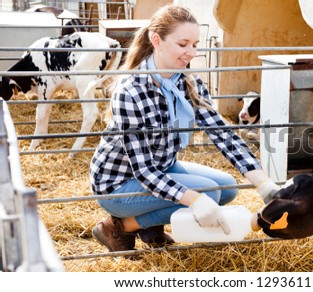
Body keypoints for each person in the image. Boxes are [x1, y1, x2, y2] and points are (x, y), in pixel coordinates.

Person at [89, 4, 280, 252]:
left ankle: (150, 227)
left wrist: (264, 184)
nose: (191, 52)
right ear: (156, 40)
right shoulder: (131, 90)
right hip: (119, 182)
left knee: (227, 188)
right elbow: (144, 171)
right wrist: (195, 199)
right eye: (183, 44)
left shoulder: (188, 82)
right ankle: (120, 226)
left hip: (162, 165)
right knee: (207, 196)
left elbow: (222, 134)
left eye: (195, 44)